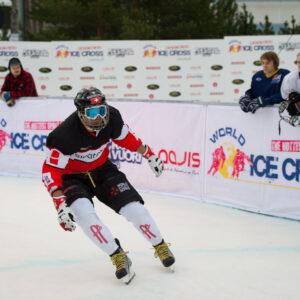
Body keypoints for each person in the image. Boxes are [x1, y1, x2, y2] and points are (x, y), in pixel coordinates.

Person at [41, 87, 175, 284]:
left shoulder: (112, 117)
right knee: (84, 215)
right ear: (80, 113)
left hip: (103, 170)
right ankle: (117, 255)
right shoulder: (63, 135)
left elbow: (127, 139)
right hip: (72, 178)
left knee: (135, 209)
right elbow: (49, 171)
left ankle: (160, 245)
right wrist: (60, 205)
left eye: (101, 110)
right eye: (92, 113)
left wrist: (149, 154)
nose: (99, 118)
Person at [279, 52, 300, 128]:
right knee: (293, 96)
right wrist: (290, 100)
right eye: (298, 62)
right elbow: (285, 96)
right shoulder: (289, 78)